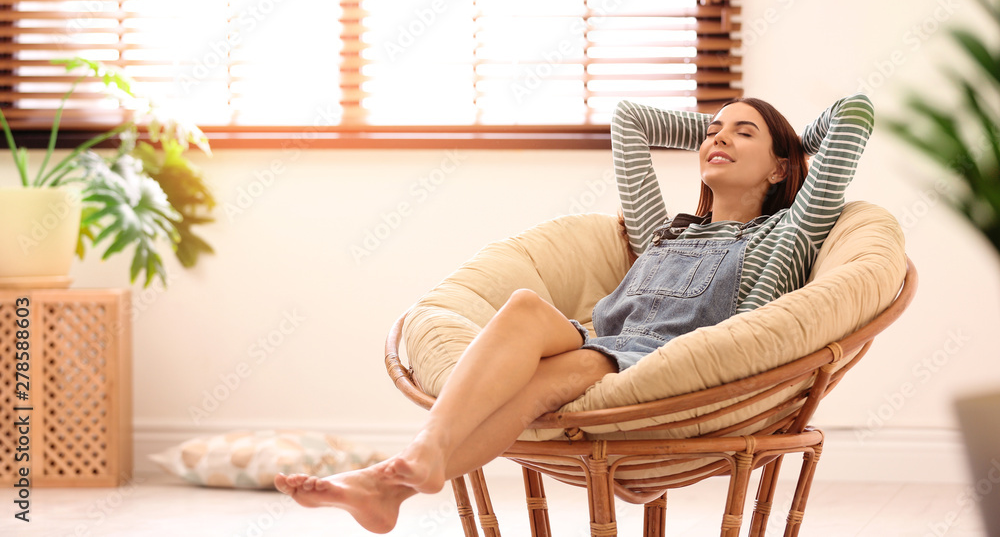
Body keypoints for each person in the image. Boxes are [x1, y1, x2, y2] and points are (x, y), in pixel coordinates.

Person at [274, 92, 875, 533]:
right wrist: (728, 130)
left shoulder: (785, 237)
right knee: (522, 307)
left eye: (742, 133)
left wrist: (784, 134)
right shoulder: (662, 231)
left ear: (779, 166)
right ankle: (420, 459)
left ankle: (391, 479)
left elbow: (853, 115)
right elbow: (629, 120)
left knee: (542, 385)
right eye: (711, 131)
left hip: (657, 362)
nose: (716, 138)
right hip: (598, 338)